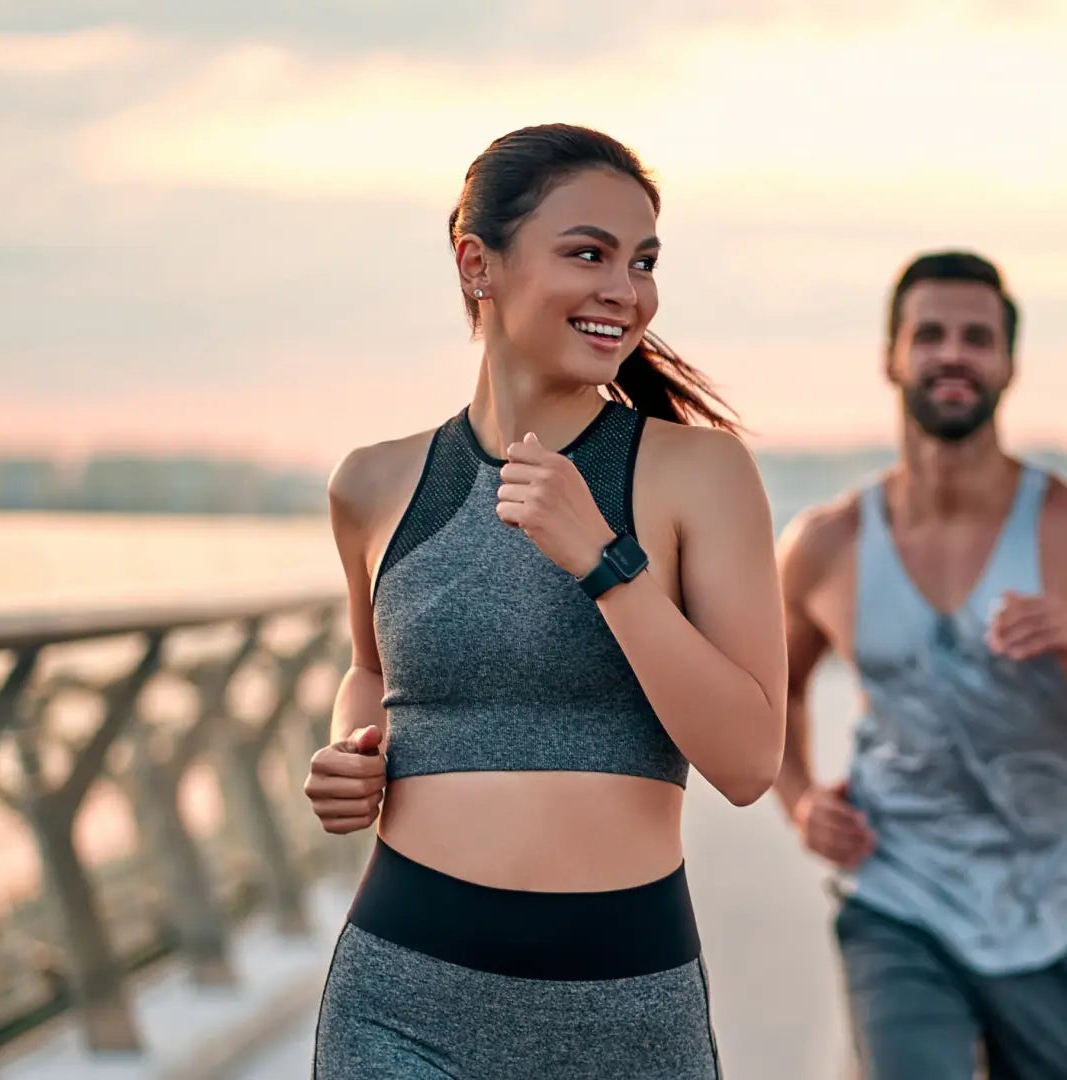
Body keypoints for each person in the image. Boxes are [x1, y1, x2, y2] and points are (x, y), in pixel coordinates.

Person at [304, 124, 787, 1080]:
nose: (627, 289)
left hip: (626, 1015)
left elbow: (747, 759)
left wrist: (604, 562)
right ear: (477, 264)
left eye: (643, 261)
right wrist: (350, 754)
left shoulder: (698, 472)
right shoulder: (374, 483)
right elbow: (371, 670)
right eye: (589, 253)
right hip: (400, 1002)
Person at [772, 251, 1067, 1079]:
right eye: (930, 335)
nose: (953, 354)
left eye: (977, 338)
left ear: (1008, 364)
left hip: (1051, 908)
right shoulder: (828, 544)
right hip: (897, 896)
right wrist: (801, 799)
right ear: (892, 356)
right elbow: (769, 691)